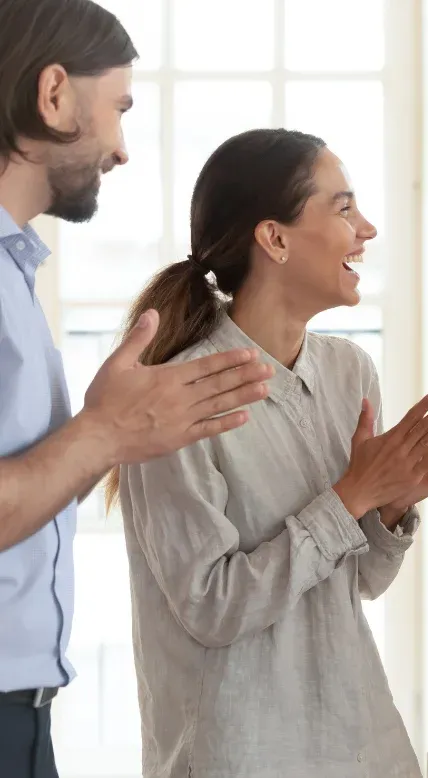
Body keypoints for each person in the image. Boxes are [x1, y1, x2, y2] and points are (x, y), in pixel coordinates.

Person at [111, 128, 428, 778]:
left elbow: (360, 582)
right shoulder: (176, 394)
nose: (366, 229)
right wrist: (352, 497)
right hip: (241, 756)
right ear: (275, 238)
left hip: (361, 745)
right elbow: (213, 606)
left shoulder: (349, 373)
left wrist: (391, 506)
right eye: (343, 208)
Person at [0, 2, 271, 775]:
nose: (121, 150)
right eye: (117, 108)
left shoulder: (17, 274)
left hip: (26, 711)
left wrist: (113, 431)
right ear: (53, 96)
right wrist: (106, 432)